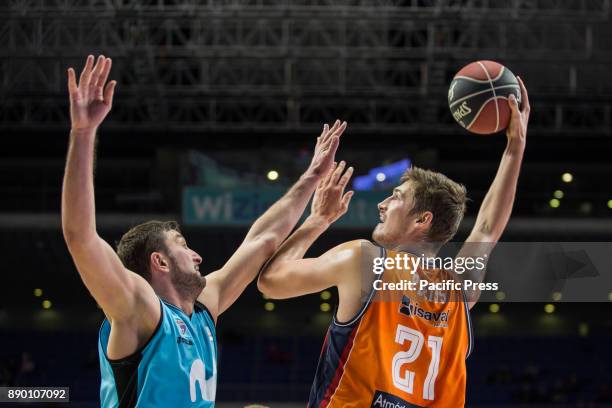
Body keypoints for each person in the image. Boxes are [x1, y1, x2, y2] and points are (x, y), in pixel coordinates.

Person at [61, 54, 347, 407]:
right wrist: (84, 133)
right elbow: (80, 237)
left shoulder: (201, 312)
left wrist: (312, 178)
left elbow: (262, 240)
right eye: (182, 245)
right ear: (159, 262)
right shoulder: (140, 307)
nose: (197, 255)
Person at [258, 79, 530, 407]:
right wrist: (515, 146)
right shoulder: (459, 290)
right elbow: (487, 230)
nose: (382, 204)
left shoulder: (366, 260)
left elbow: (270, 282)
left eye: (396, 197)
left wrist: (317, 220)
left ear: (421, 220)